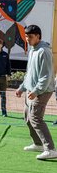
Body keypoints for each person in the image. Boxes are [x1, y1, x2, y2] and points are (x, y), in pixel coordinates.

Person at [15, 25, 57, 160]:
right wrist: (22, 87)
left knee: (36, 119)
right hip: (30, 90)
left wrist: (36, 91)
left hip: (42, 91)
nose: (27, 39)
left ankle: (50, 149)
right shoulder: (32, 50)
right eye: (26, 36)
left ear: (38, 36)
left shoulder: (43, 51)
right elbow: (30, 73)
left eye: (30, 36)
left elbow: (45, 76)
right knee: (28, 118)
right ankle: (38, 144)